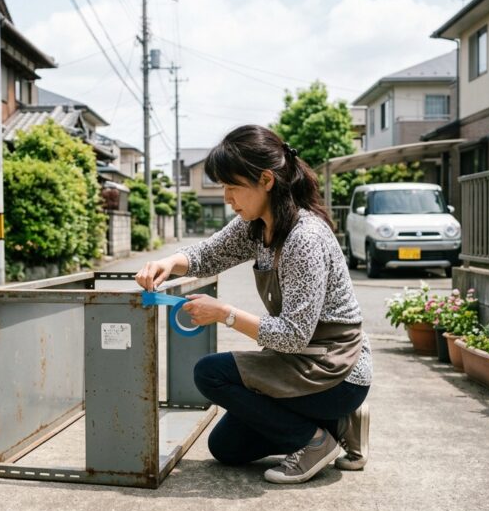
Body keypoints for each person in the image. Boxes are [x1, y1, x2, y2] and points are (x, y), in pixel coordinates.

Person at [135, 124, 371, 484]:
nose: (227, 197)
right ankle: (338, 423)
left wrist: (223, 314)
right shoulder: (256, 225)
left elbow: (293, 335)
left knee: (209, 373)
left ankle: (314, 441)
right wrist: (170, 263)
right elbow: (207, 254)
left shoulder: (303, 237)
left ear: (265, 180)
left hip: (335, 370)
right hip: (299, 364)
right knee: (226, 447)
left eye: (232, 186)